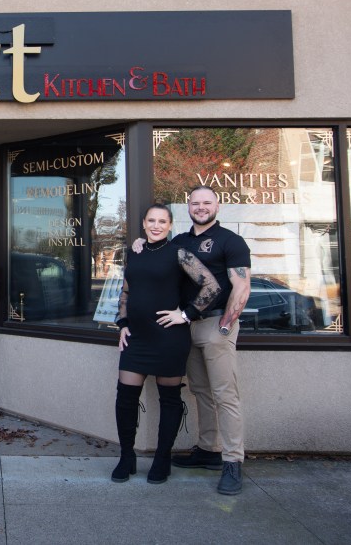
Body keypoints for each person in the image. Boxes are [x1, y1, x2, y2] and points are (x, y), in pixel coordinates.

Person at [131, 185, 252, 495]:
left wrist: (226, 326)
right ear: (187, 206)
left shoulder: (231, 241)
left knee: (226, 394)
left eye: (207, 203)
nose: (200, 207)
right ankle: (209, 449)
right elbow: (158, 255)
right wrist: (140, 244)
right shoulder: (181, 241)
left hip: (214, 324)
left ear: (218, 205)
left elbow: (241, 287)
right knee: (200, 390)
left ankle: (232, 462)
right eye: (195, 203)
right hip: (183, 327)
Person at [113, 203, 221, 485]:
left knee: (169, 399)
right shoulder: (134, 252)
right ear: (144, 223)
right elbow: (126, 291)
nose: (156, 225)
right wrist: (123, 324)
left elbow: (211, 286)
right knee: (125, 397)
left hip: (168, 338)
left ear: (170, 225)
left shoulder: (180, 253)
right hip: (137, 337)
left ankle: (162, 458)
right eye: (151, 220)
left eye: (162, 221)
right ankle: (127, 456)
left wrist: (185, 314)